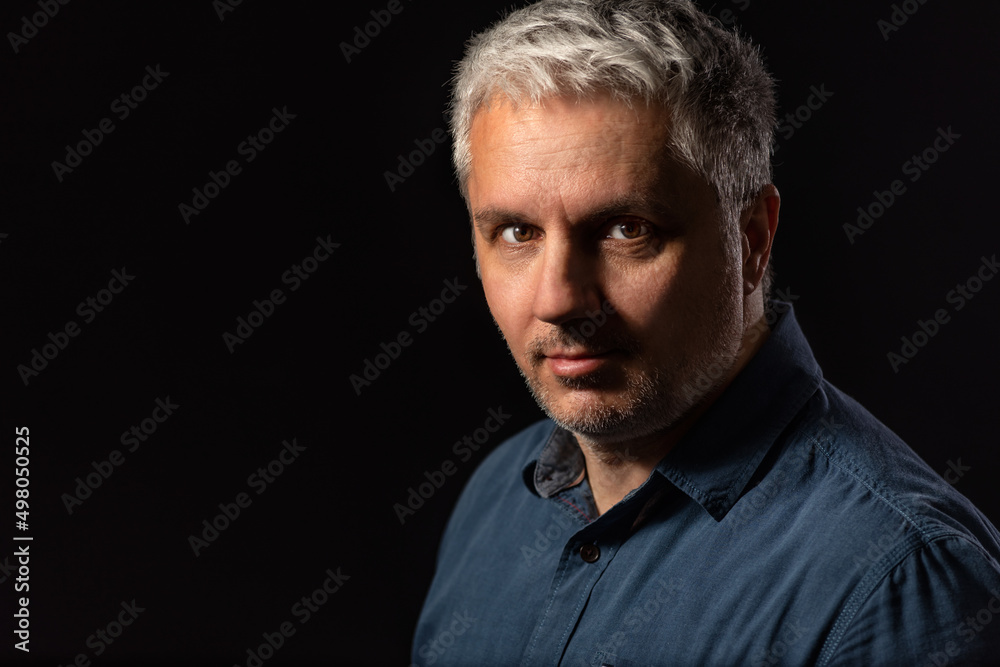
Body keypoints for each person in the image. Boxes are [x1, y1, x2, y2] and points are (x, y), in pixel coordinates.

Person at [412, 1, 1000, 664]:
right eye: (517, 232)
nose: (558, 300)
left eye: (626, 229)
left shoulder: (897, 582)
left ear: (751, 239)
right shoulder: (494, 501)